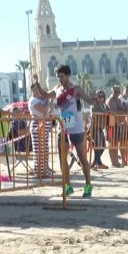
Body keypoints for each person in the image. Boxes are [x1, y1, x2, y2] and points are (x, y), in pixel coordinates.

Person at [32, 64, 95, 198]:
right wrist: (36, 82)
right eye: (58, 77)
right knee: (62, 158)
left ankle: (88, 185)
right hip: (63, 127)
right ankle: (67, 186)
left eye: (62, 76)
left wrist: (95, 98)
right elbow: (44, 95)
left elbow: (89, 100)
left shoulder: (75, 89)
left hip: (76, 128)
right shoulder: (57, 89)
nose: (60, 79)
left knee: (82, 157)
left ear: (68, 76)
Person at [28, 84, 52, 177]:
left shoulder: (41, 100)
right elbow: (44, 110)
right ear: (32, 90)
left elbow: (49, 110)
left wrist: (47, 100)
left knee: (45, 149)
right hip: (37, 125)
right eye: (36, 89)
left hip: (44, 125)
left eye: (39, 89)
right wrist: (48, 100)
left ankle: (45, 170)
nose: (38, 91)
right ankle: (39, 171)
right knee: (39, 150)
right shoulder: (33, 100)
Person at [106, 85, 128, 167]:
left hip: (119, 124)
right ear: (111, 92)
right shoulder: (110, 101)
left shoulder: (118, 100)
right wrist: (121, 111)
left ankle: (118, 161)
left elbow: (125, 111)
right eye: (115, 91)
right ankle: (114, 162)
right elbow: (114, 112)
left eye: (118, 92)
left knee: (118, 143)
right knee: (112, 144)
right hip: (111, 124)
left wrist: (120, 111)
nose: (116, 93)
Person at [90, 89, 109, 169]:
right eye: (99, 96)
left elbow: (110, 111)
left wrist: (109, 112)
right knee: (97, 146)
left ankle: (95, 162)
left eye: (102, 96)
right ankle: (98, 163)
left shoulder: (104, 105)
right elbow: (96, 110)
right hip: (95, 128)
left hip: (100, 128)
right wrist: (106, 112)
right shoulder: (94, 104)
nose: (101, 98)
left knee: (103, 146)